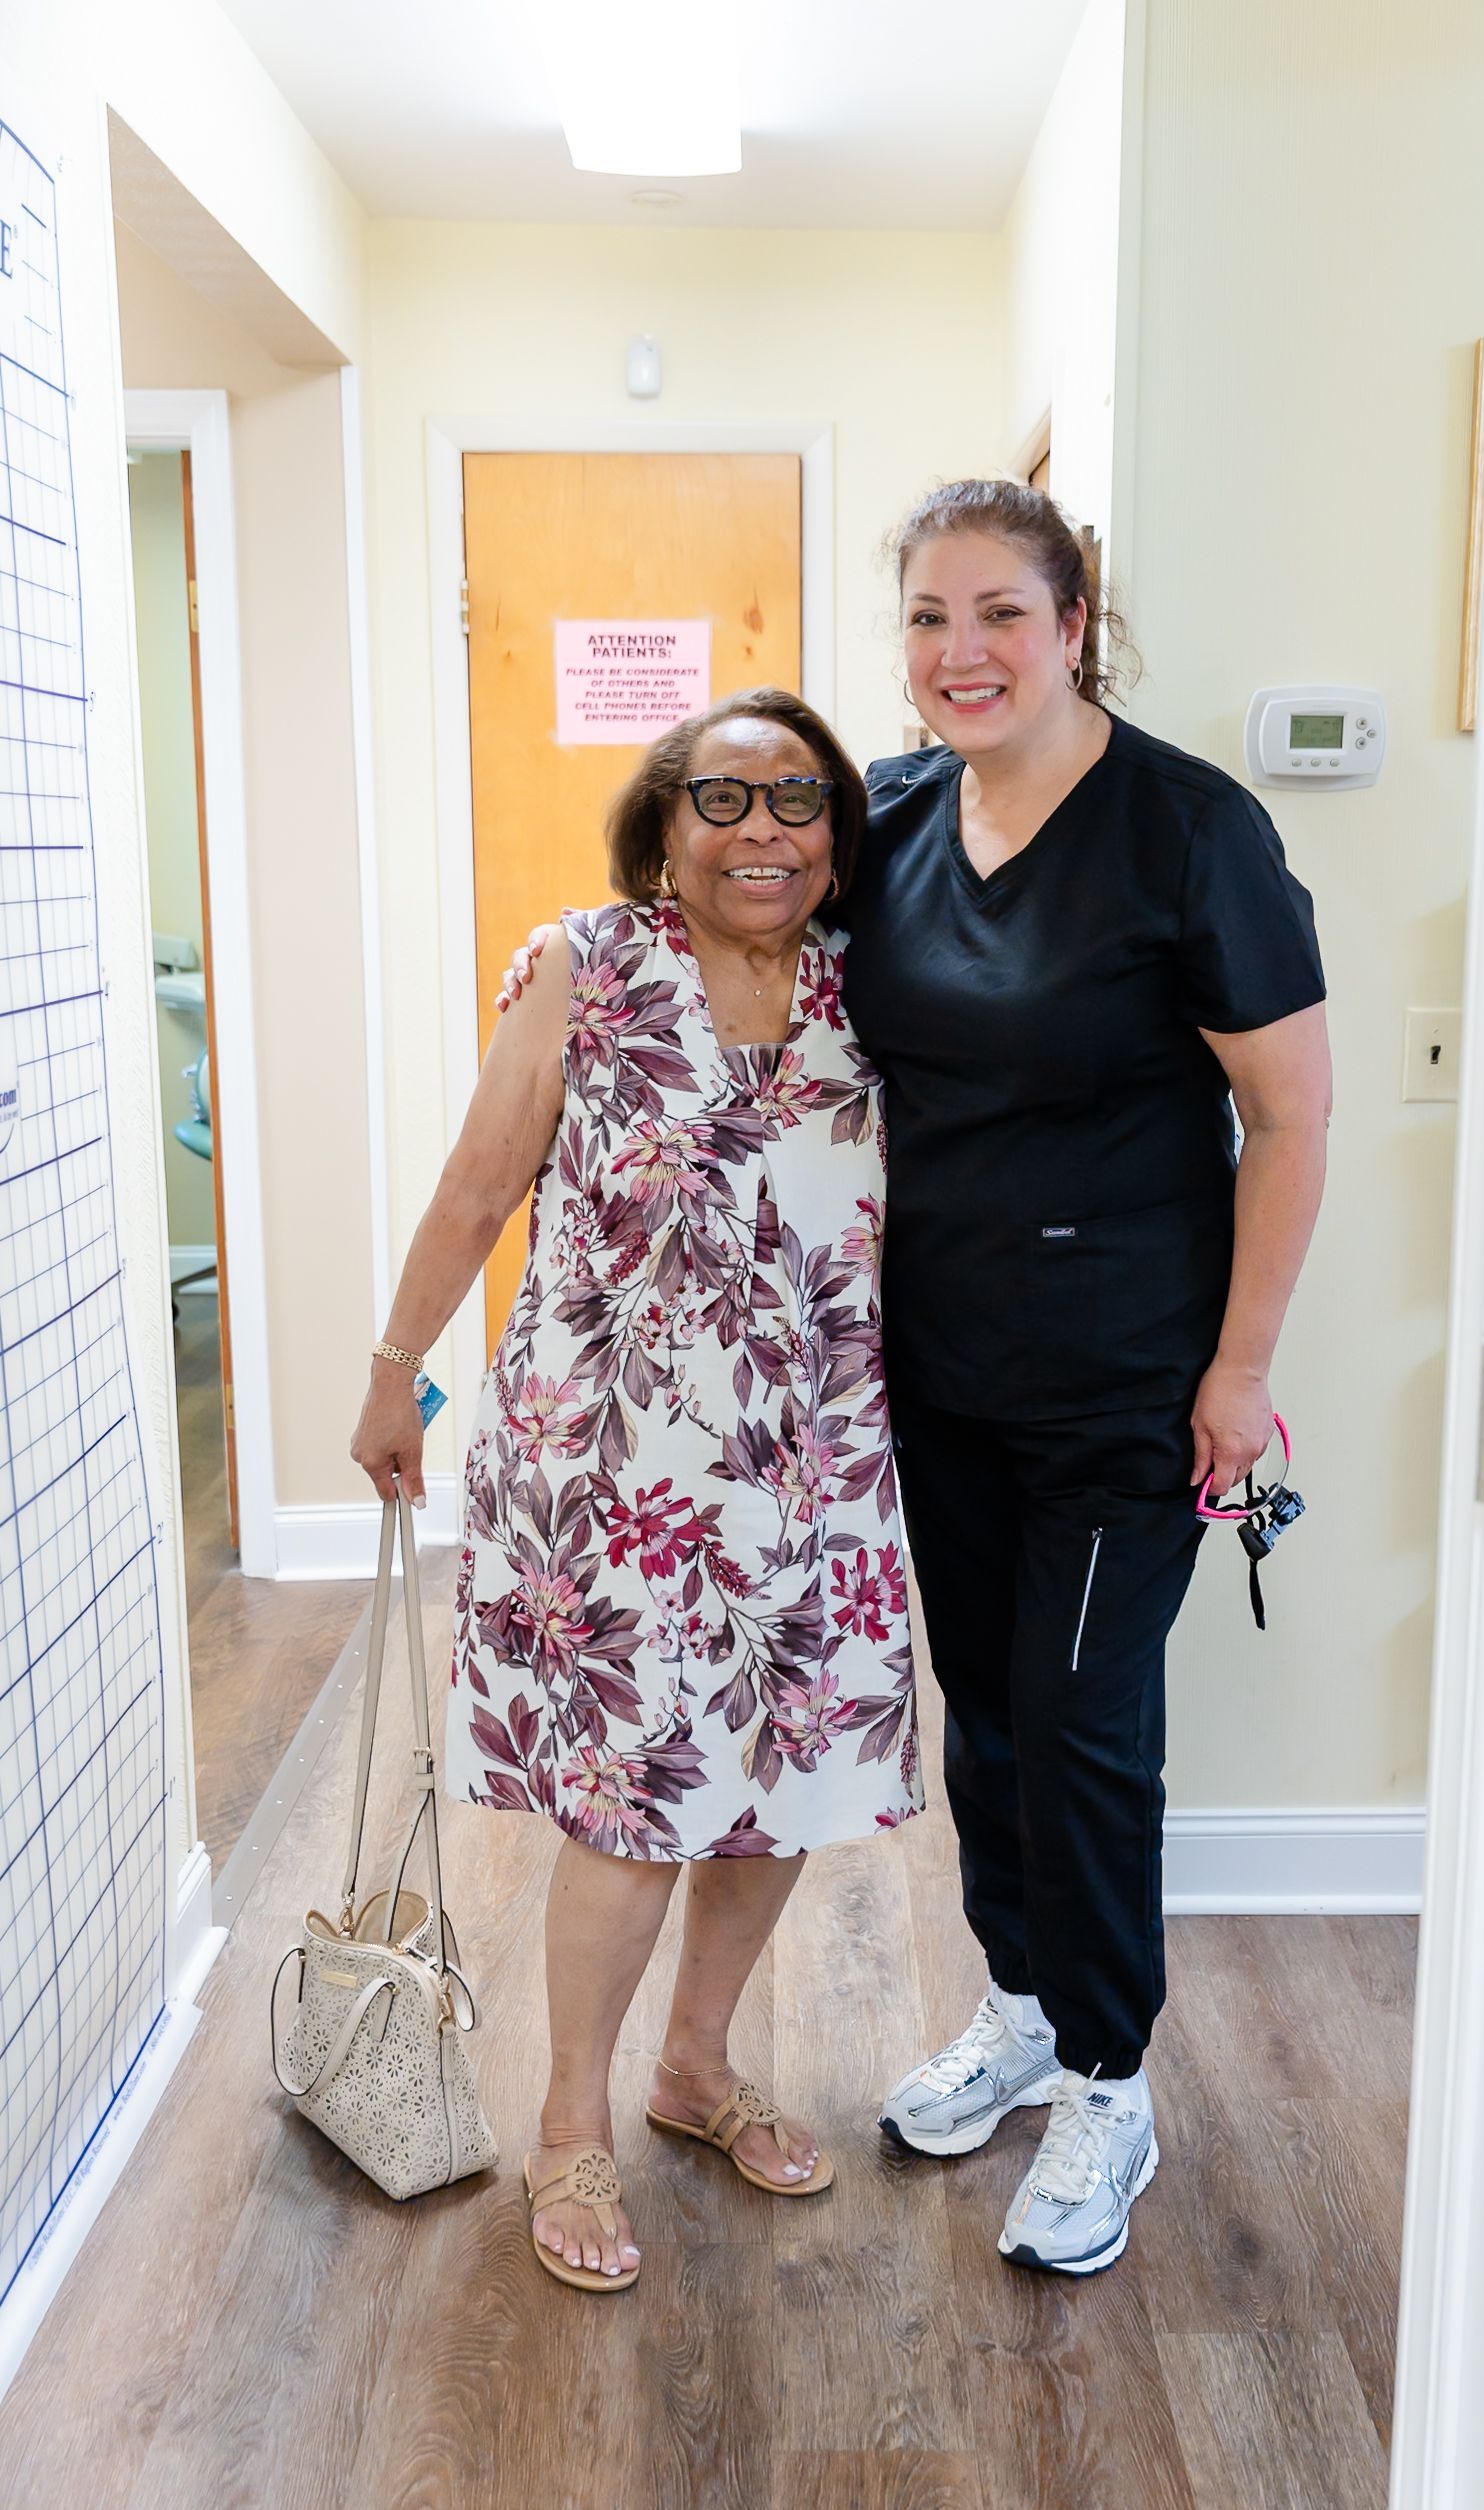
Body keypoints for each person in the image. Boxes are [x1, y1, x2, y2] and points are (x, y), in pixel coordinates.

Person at [501, 477, 1330, 2280]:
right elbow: (734, 898)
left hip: (1131, 1383)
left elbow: (1287, 1110)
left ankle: (1110, 2080)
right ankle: (1024, 2004)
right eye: (929, 620)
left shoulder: (1192, 832)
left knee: (1088, 1726)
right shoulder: (889, 813)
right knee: (992, 1723)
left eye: (1000, 615)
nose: (961, 653)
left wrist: (1243, 1367)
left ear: (1071, 620)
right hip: (922, 1379)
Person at [352, 688, 921, 2296]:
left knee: (782, 1786)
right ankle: (567, 2123)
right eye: (721, 800)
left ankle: (696, 2064)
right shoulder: (587, 970)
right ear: (662, 829)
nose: (761, 831)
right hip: (614, 1471)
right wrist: (396, 1367)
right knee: (632, 1802)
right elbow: (479, 1183)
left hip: (813, 1467)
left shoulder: (869, 986)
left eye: (795, 800)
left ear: (835, 832)